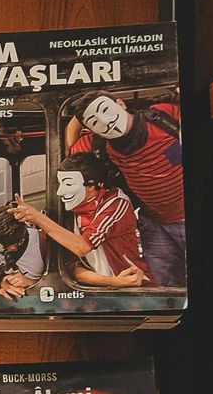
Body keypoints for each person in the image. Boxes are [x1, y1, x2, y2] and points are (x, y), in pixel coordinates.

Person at [69, 87, 184, 288]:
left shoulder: (163, 116)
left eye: (105, 110)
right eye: (94, 122)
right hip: (155, 222)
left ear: (121, 103)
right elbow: (71, 151)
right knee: (166, 285)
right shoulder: (98, 144)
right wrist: (80, 115)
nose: (105, 122)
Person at [11, 166, 148, 286]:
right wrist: (112, 282)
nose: (59, 192)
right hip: (108, 287)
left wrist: (38, 218)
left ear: (93, 186)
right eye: (60, 184)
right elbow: (73, 268)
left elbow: (82, 247)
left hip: (135, 284)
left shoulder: (116, 203)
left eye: (68, 184)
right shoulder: (71, 213)